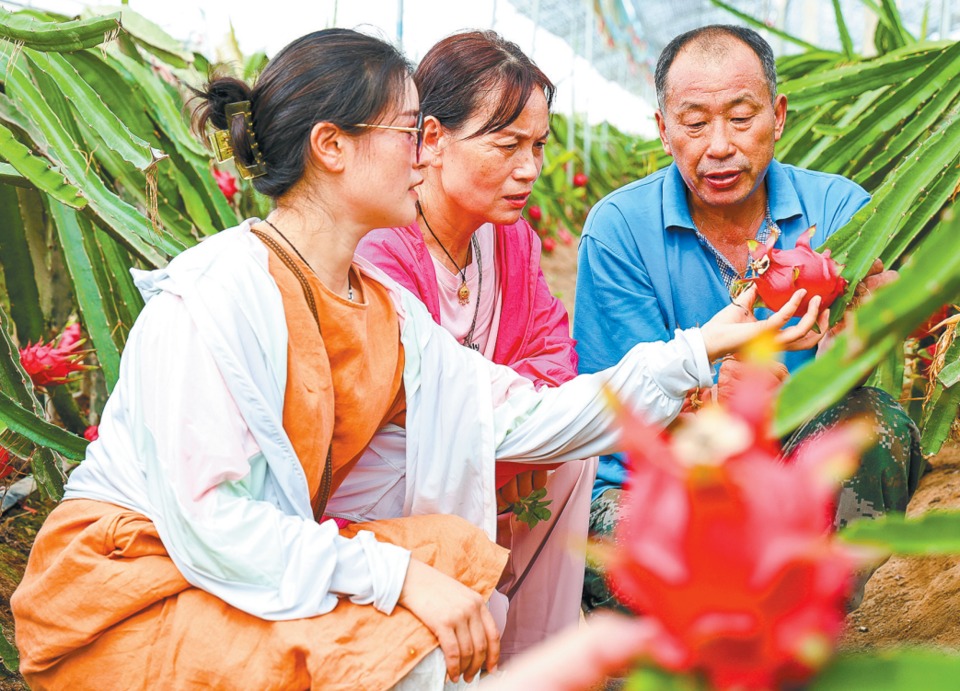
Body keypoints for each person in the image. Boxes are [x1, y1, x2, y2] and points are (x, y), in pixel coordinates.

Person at [12, 28, 823, 690]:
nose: (424, 152)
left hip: (254, 561)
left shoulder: (382, 306)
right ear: (332, 147)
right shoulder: (216, 295)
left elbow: (528, 412)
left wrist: (705, 343)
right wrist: (398, 576)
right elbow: (214, 524)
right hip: (139, 587)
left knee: (459, 578)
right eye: (410, 132)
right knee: (423, 643)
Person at [574, 24, 926, 614]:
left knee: (875, 427)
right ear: (662, 129)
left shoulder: (837, 211)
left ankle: (800, 623)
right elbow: (619, 407)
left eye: (741, 118)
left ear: (778, 116)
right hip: (657, 485)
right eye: (694, 122)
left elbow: (880, 344)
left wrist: (898, 311)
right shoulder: (619, 231)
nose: (719, 145)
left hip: (788, 474)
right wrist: (713, 403)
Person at [354, 30, 593, 660]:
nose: (530, 170)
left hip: (493, 446)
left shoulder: (512, 243)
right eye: (507, 144)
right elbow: (405, 402)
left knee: (570, 457)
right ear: (431, 139)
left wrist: (499, 432)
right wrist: (494, 427)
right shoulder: (383, 248)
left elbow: (555, 355)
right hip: (394, 475)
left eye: (538, 146)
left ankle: (534, 659)